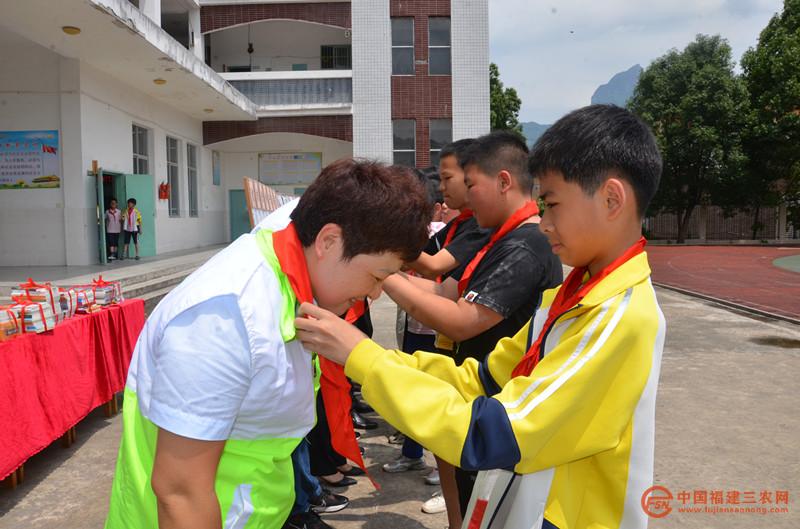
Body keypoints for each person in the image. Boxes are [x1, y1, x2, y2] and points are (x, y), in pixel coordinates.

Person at [294, 104, 665, 529]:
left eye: (553, 204)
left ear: (611, 199)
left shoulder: (617, 316)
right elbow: (481, 379)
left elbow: (498, 433)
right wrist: (367, 355)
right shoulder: (573, 294)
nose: (545, 223)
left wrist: (365, 358)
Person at [104, 159, 431, 529]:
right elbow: (180, 492)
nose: (373, 294)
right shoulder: (223, 317)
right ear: (328, 241)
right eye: (377, 276)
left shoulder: (292, 278)